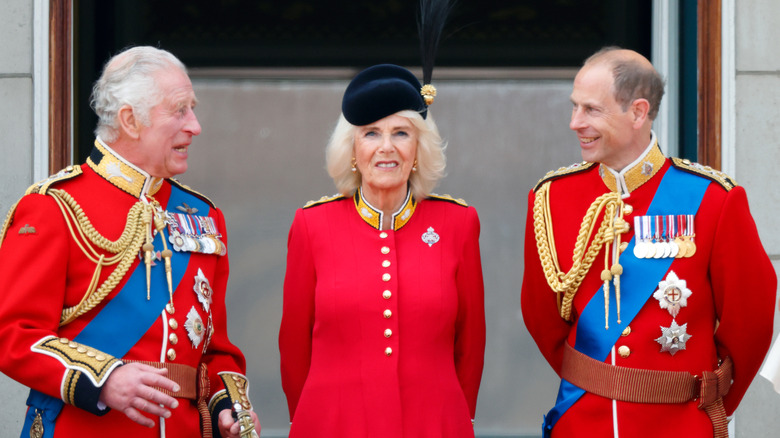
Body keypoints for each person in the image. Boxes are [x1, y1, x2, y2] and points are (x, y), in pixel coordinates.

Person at [0, 46, 260, 438]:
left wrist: (229, 408)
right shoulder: (54, 207)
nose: (195, 125)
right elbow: (14, 334)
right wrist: (104, 379)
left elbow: (215, 351)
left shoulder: (203, 216)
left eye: (192, 109)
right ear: (130, 120)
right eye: (179, 110)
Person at [521, 47, 776, 438]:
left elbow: (750, 324)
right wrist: (596, 380)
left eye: (591, 110)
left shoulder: (711, 199)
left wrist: (704, 403)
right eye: (575, 107)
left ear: (638, 112)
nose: (575, 122)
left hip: (679, 424)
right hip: (582, 421)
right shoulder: (552, 198)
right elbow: (542, 317)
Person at [278, 61, 486, 438]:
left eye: (401, 133)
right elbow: (294, 349)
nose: (386, 147)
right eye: (371, 133)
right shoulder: (312, 226)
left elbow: (470, 347)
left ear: (418, 147)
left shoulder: (458, 224)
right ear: (353, 150)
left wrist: (454, 418)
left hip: (434, 423)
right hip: (331, 424)